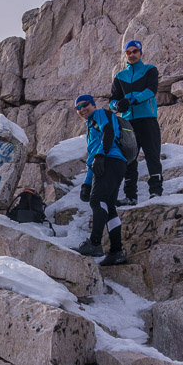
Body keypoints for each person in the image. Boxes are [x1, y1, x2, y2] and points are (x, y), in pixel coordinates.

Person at [74, 94, 127, 266]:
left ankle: (95, 243)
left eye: (85, 105)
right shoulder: (90, 126)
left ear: (93, 104)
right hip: (111, 163)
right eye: (78, 107)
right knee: (109, 208)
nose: (82, 109)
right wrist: (87, 183)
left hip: (110, 160)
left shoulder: (100, 114)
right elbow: (93, 158)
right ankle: (116, 252)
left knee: (98, 201)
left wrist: (100, 155)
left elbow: (109, 131)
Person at [110, 40, 163, 204]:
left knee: (152, 155)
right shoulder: (120, 76)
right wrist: (117, 105)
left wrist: (132, 100)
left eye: (135, 51)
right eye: (128, 52)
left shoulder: (150, 70)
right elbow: (112, 99)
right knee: (129, 159)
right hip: (127, 123)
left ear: (140, 52)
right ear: (125, 55)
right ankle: (130, 196)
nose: (132, 55)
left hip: (147, 118)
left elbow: (151, 91)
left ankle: (156, 192)